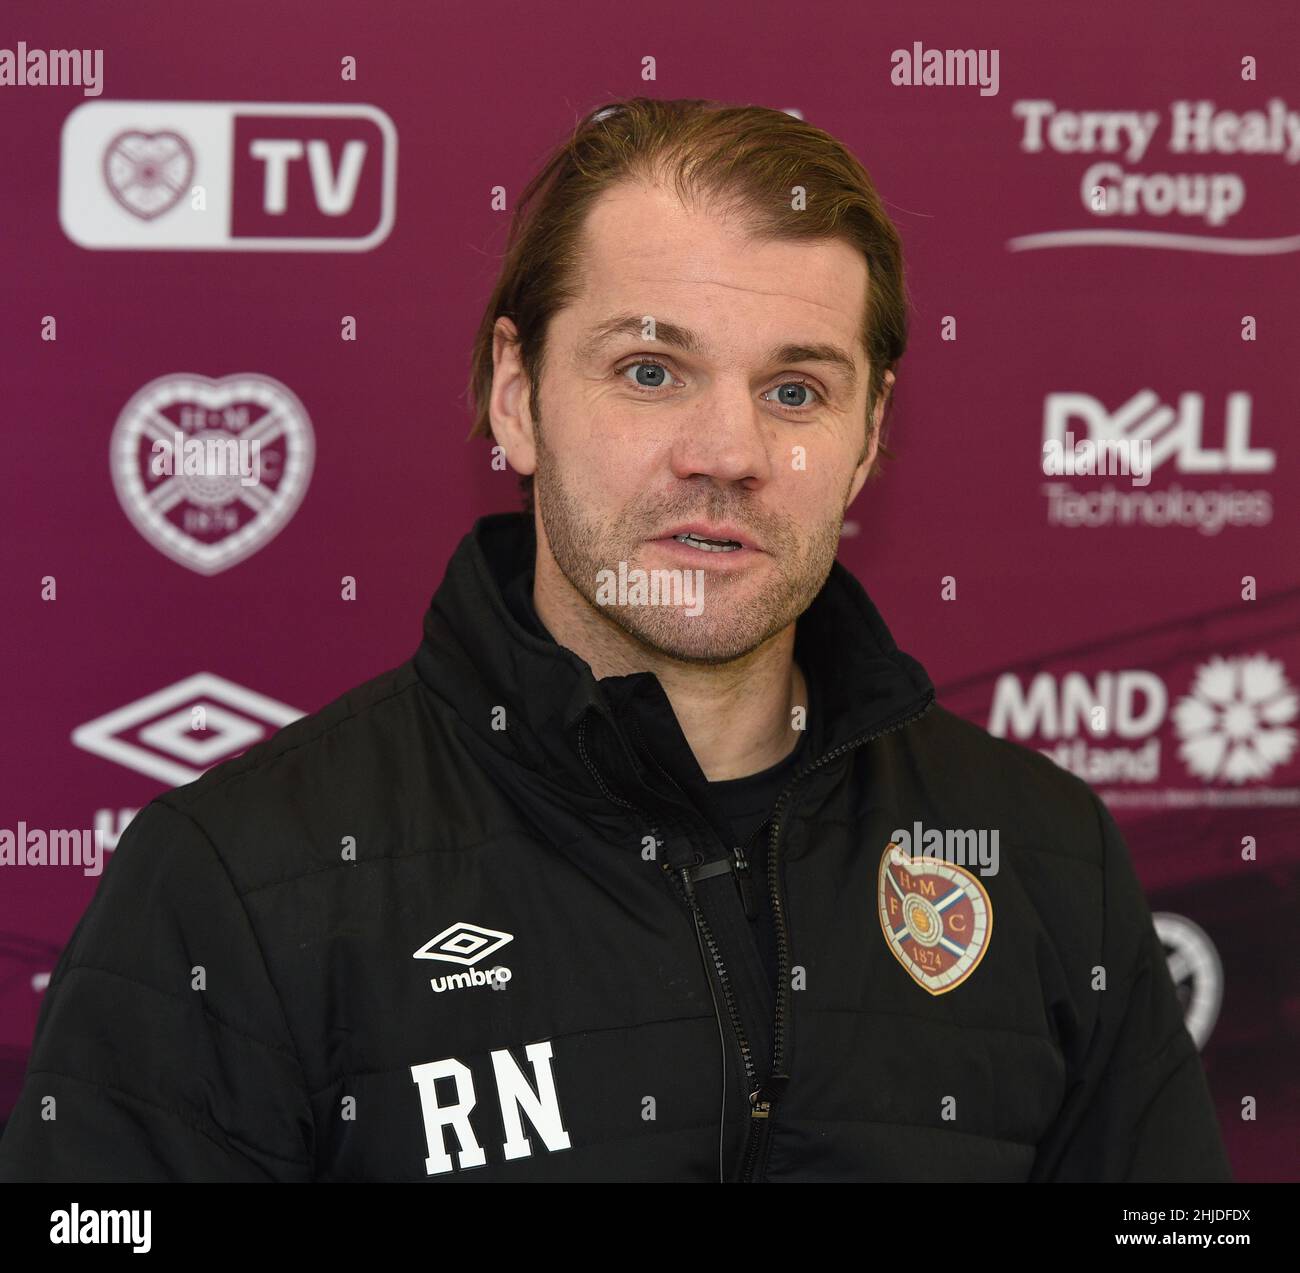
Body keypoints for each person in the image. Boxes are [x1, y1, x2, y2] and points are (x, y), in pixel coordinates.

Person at [0, 97, 1231, 1182]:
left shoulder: (1040, 855)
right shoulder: (237, 876)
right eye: (650, 371)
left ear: (866, 437)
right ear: (516, 395)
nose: (727, 453)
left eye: (795, 390)